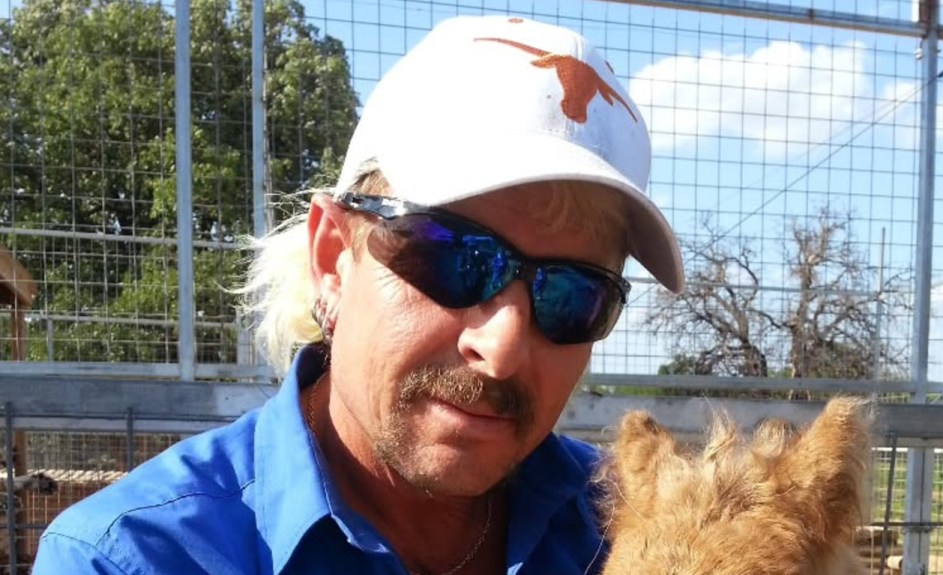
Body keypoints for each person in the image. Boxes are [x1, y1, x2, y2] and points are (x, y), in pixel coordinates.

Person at [33, 14, 684, 574]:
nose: (505, 347)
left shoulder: (644, 535)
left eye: (574, 294)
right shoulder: (134, 557)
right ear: (331, 260)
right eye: (452, 257)